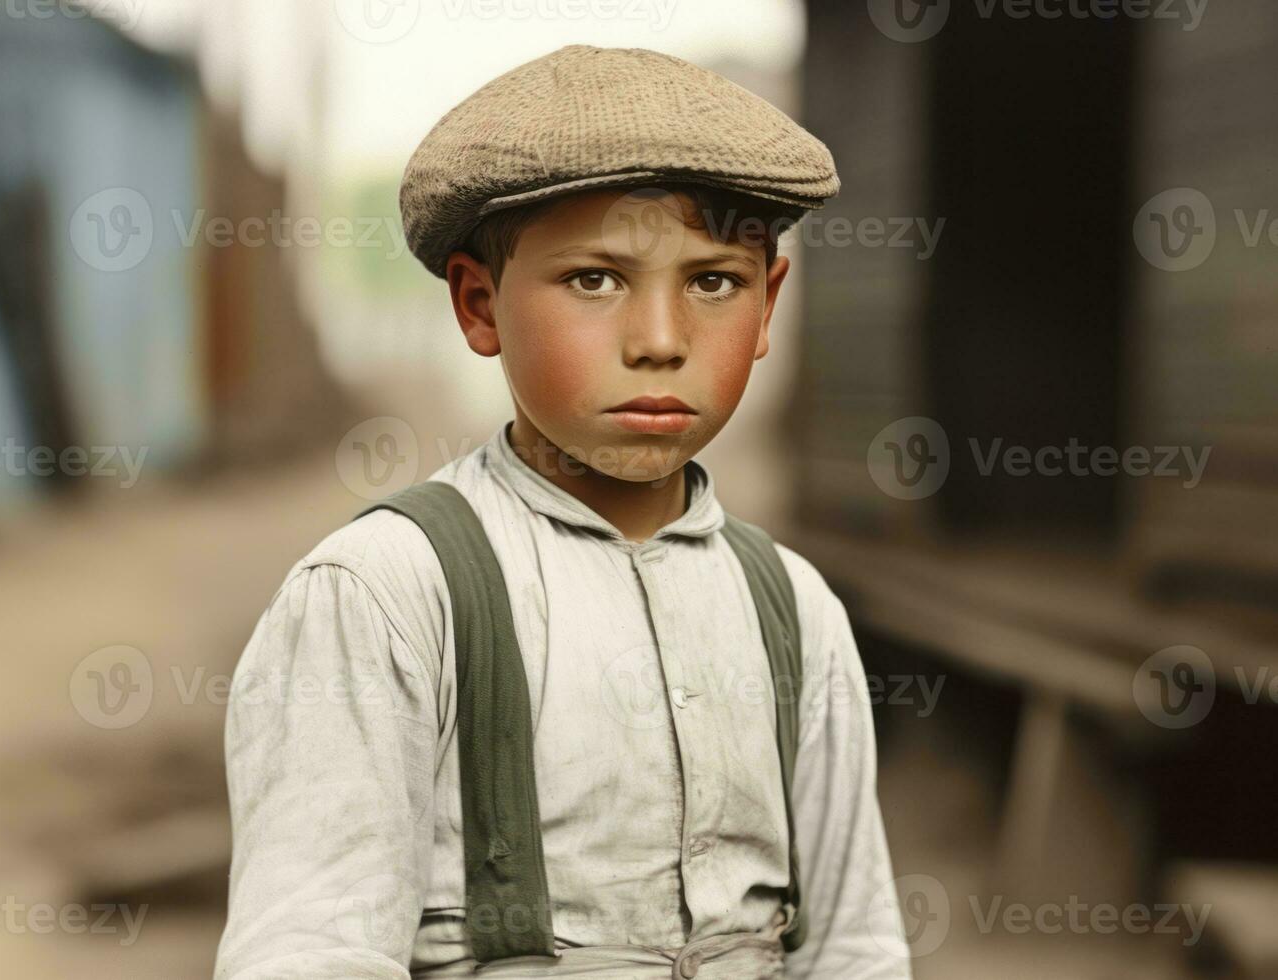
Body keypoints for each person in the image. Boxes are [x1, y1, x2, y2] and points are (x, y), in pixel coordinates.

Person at [215, 43, 911, 980]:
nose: (660, 342)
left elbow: (855, 946)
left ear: (769, 302)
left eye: (713, 281)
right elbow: (308, 952)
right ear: (478, 303)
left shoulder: (791, 608)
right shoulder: (389, 595)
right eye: (594, 279)